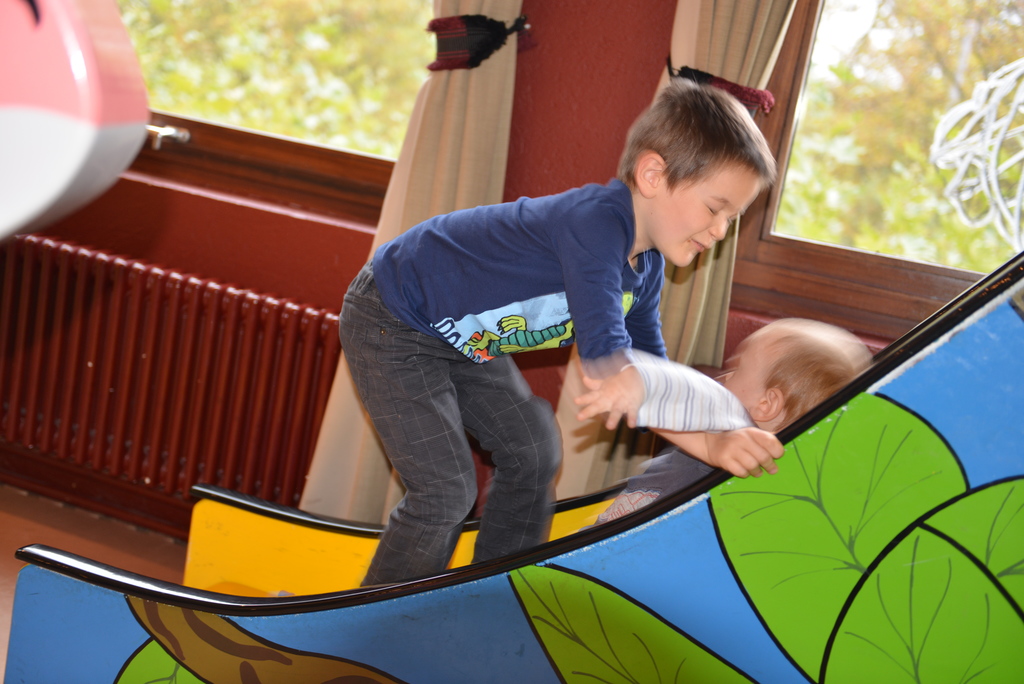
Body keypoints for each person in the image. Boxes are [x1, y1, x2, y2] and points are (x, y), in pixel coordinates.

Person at [339, 78, 777, 585]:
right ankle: (374, 619)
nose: (720, 231)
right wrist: (688, 418)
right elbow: (610, 362)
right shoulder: (595, 225)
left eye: (733, 219)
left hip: (458, 339)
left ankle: (494, 588)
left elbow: (654, 384)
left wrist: (717, 442)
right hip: (394, 313)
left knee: (534, 447)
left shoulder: (647, 269)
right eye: (715, 208)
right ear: (653, 175)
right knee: (445, 491)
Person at [575, 318, 872, 523]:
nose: (723, 377)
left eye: (737, 369)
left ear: (766, 405)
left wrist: (636, 383)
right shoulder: (720, 441)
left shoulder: (730, 456)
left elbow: (684, 391)